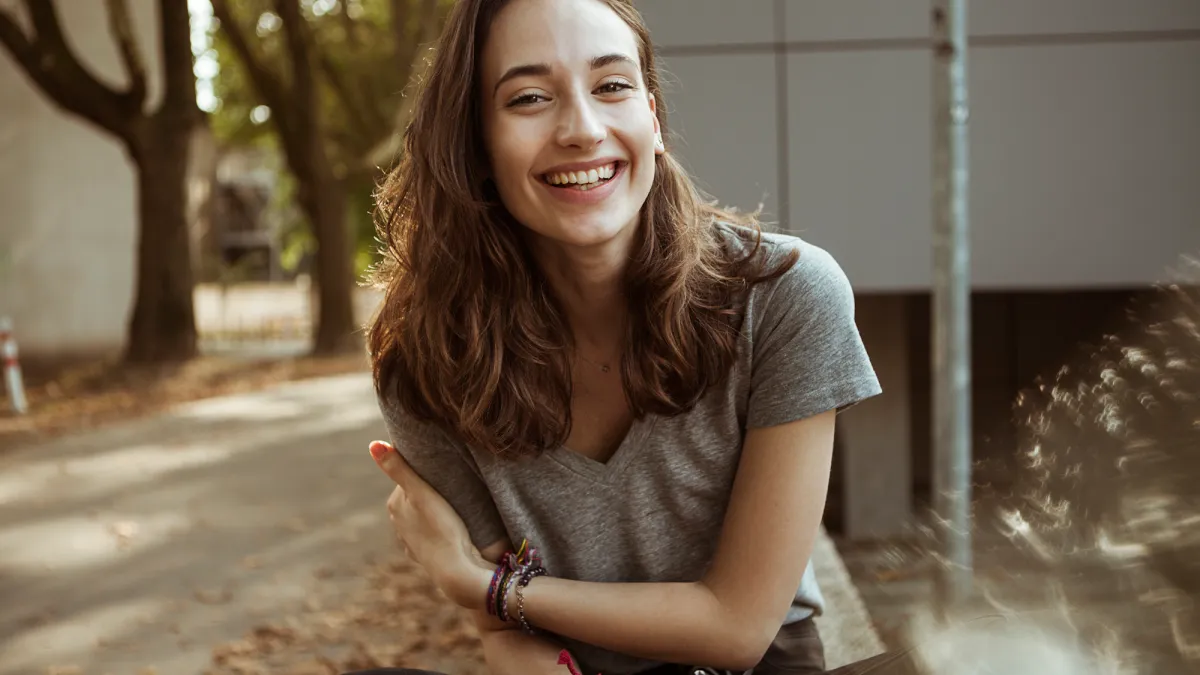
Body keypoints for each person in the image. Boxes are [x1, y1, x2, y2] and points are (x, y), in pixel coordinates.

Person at [358, 0, 912, 673]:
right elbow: (507, 633)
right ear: (474, 142)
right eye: (529, 97)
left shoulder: (787, 298)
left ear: (652, 118)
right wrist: (502, 612)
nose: (583, 130)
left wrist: (491, 587)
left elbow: (737, 626)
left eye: (612, 86)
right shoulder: (428, 359)